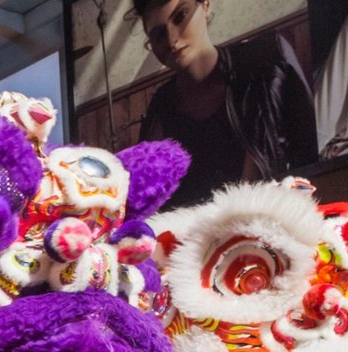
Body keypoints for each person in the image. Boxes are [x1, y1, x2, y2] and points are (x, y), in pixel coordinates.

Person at [134, 0, 318, 207]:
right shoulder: (161, 106)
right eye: (158, 34)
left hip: (275, 222)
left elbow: (309, 151)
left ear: (205, 5)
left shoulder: (265, 61)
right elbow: (150, 197)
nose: (172, 38)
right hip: (195, 234)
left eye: (180, 16)